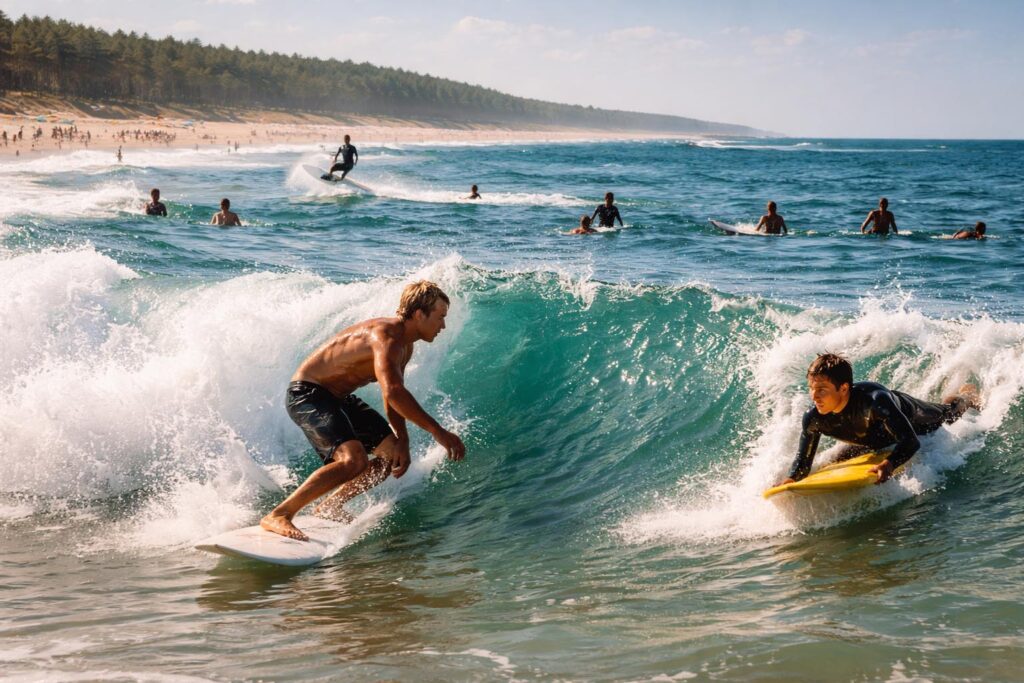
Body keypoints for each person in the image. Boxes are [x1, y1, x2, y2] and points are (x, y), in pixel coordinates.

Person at [260, 281, 467, 541]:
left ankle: (330, 506)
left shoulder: (405, 345)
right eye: (440, 317)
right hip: (308, 394)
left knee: (390, 458)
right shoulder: (387, 336)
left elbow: (390, 394)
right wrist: (439, 432)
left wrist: (402, 439)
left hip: (338, 398)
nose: (443, 326)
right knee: (353, 460)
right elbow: (394, 391)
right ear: (418, 314)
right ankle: (280, 514)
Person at [776, 353, 980, 487]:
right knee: (833, 461)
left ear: (844, 388)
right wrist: (791, 479)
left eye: (821, 390)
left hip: (915, 419)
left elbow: (910, 441)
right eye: (811, 388)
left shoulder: (876, 402)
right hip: (873, 440)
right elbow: (803, 462)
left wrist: (890, 464)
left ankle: (966, 396)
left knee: (949, 413)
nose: (814, 396)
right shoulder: (814, 419)